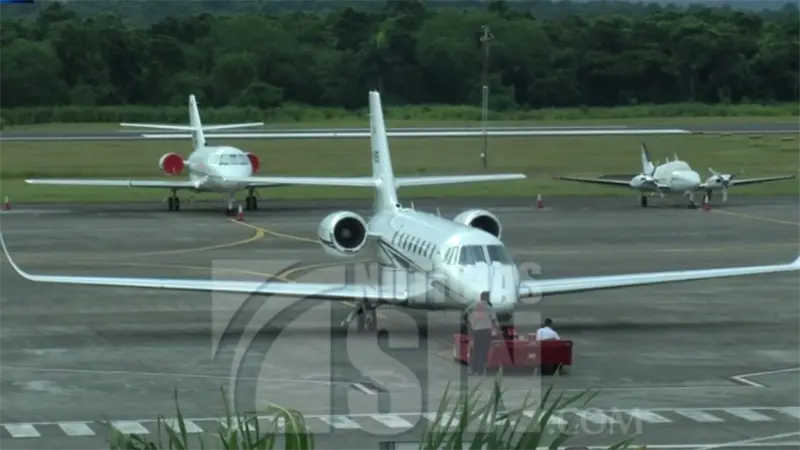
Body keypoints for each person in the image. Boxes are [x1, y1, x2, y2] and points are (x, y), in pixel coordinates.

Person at [465, 291, 500, 375]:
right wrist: (498, 329)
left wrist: (470, 322)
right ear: (487, 298)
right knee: (483, 351)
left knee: (476, 350)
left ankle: (473, 369)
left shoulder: (473, 306)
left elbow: (465, 314)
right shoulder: (489, 308)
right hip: (485, 331)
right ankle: (480, 370)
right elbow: (494, 321)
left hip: (476, 331)